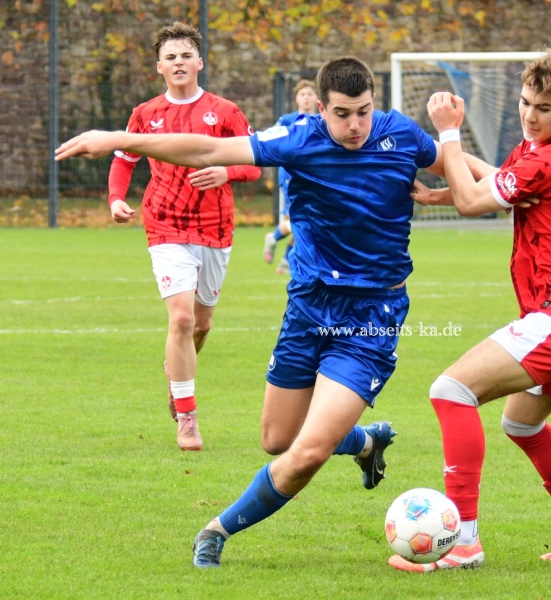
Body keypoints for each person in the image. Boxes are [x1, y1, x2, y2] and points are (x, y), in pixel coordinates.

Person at [56, 56, 446, 568]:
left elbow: (461, 170)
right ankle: (364, 441)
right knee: (277, 439)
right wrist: (119, 139)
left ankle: (216, 530)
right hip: (309, 306)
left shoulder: (401, 135)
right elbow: (207, 148)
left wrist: (503, 186)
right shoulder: (298, 138)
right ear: (321, 108)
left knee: (307, 453)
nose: (355, 125)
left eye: (364, 111)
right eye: (342, 114)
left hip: (371, 318)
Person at [388, 51, 551, 572]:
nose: (529, 116)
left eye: (543, 108)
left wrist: (449, 133)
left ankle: (464, 543)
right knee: (522, 425)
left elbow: (476, 203)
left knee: (451, 391)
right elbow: (505, 184)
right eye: (525, 103)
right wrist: (443, 194)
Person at [106, 22, 261, 452]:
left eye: (185, 55)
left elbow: (255, 164)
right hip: (164, 223)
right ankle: (188, 420)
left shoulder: (225, 112)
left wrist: (227, 171)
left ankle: (175, 373)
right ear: (159, 67)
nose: (178, 62)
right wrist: (116, 198)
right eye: (170, 57)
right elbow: (123, 159)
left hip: (215, 228)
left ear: (200, 63)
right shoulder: (145, 114)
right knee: (181, 319)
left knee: (201, 324)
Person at [263, 79, 319, 275]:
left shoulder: (322, 120)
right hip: (290, 176)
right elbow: (268, 139)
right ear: (296, 98)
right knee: (299, 218)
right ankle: (277, 243)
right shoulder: (287, 120)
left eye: (310, 94)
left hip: (313, 177)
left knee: (307, 220)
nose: (306, 98)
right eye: (303, 94)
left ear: (317, 98)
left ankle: (283, 254)